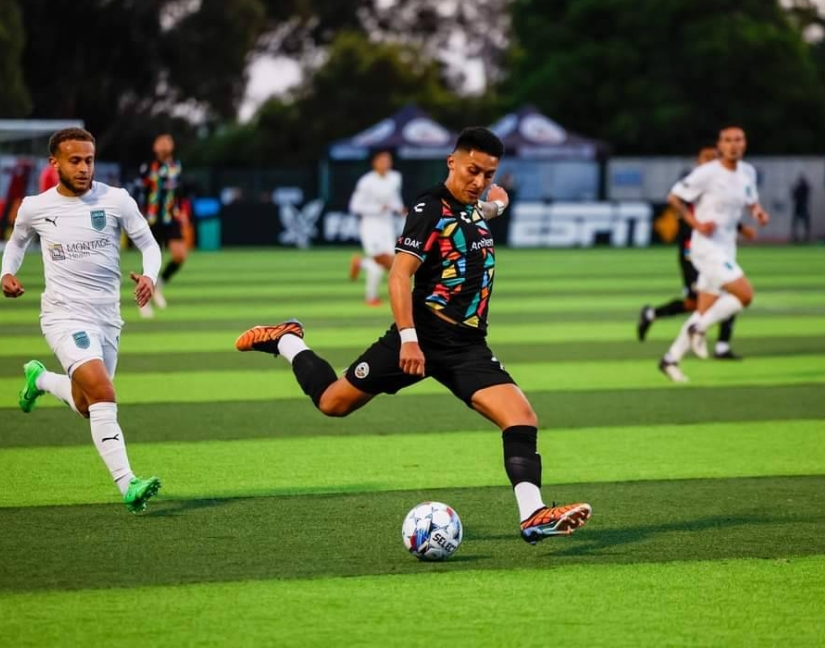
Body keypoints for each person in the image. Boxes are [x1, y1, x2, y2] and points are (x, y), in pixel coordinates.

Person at [236, 128, 590, 544]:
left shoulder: (473, 207)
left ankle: (533, 515)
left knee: (522, 417)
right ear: (452, 162)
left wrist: (494, 206)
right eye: (473, 171)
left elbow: (471, 216)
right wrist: (407, 338)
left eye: (489, 175)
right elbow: (399, 275)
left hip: (467, 348)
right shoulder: (427, 206)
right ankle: (288, 340)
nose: (479, 182)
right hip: (420, 337)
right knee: (333, 403)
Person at [0, 127, 162, 513]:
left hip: (107, 319)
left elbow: (149, 244)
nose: (84, 168)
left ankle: (39, 379)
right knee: (103, 393)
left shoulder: (117, 200)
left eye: (89, 160)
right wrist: (6, 273)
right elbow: (17, 242)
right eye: (75, 161)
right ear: (54, 163)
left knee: (87, 404)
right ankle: (129, 484)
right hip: (63, 316)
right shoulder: (35, 207)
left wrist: (150, 277)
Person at [658, 126, 770, 383]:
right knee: (744, 295)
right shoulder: (707, 173)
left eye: (738, 140)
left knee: (704, 309)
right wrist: (696, 223)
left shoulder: (747, 172)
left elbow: (751, 200)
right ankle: (700, 329)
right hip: (706, 248)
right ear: (720, 145)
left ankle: (670, 359)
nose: (733, 145)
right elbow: (674, 197)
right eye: (728, 140)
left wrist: (758, 213)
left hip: (727, 246)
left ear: (745, 143)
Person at [637, 147, 756, 359]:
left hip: (715, 251)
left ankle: (717, 346)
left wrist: (739, 227)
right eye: (706, 157)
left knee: (724, 294)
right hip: (693, 252)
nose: (711, 160)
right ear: (698, 161)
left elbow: (722, 216)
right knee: (703, 301)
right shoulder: (693, 185)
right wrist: (697, 228)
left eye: (714, 157)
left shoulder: (719, 183)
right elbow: (683, 213)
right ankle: (657, 318)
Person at [137, 133, 187, 317]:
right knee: (152, 258)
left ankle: (159, 285)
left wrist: (182, 211)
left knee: (180, 255)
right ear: (155, 147)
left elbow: (180, 192)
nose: (165, 145)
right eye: (161, 143)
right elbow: (139, 190)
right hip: (152, 218)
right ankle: (143, 301)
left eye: (168, 142)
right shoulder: (148, 167)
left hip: (171, 217)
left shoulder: (177, 166)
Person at [347, 150, 404, 306]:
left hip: (387, 225)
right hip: (370, 225)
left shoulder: (395, 178)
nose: (386, 164)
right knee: (380, 263)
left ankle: (361, 264)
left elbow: (395, 199)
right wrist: (378, 208)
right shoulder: (366, 182)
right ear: (375, 163)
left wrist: (400, 210)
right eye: (382, 161)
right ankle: (371, 297)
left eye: (388, 161)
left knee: (393, 263)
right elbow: (354, 206)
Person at [791, 174, 811, 243]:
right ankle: (796, 236)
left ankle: (806, 236)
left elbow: (806, 192)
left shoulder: (805, 187)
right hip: (798, 206)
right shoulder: (798, 188)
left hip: (803, 206)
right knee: (796, 222)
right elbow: (794, 196)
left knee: (805, 222)